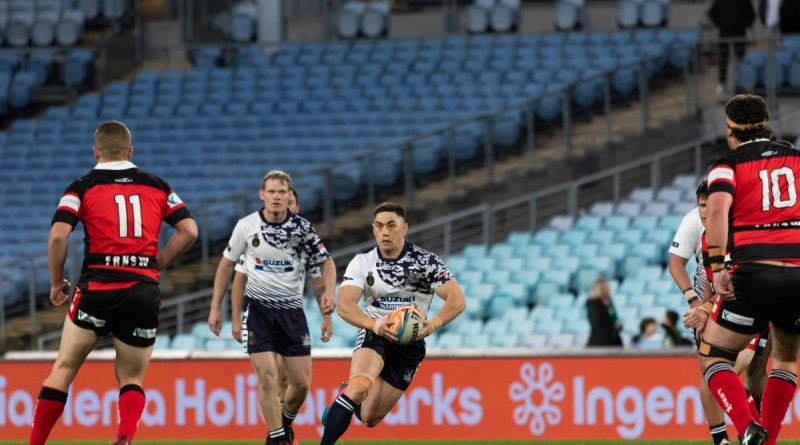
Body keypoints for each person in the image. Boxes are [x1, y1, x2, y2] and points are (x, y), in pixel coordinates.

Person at [30, 121, 198, 445]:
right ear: (130, 151)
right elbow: (189, 230)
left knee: (64, 367)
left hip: (98, 290)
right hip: (141, 291)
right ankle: (124, 438)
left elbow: (57, 236)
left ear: (95, 152)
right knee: (131, 377)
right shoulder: (158, 186)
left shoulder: (82, 186)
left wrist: (55, 283)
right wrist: (156, 263)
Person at [688, 94, 800, 445]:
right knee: (786, 360)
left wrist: (718, 264)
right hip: (798, 273)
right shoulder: (797, 160)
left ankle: (745, 424)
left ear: (730, 130)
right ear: (767, 123)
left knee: (713, 354)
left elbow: (718, 211)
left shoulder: (727, 164)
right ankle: (767, 441)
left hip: (751, 273)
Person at [319, 202, 466, 444]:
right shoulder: (362, 262)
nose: (384, 232)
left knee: (369, 418)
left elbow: (457, 299)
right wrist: (374, 325)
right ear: (373, 229)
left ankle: (342, 396)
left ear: (404, 228)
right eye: (379, 226)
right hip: (375, 332)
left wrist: (434, 323)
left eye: (391, 225)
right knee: (360, 388)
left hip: (410, 342)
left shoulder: (425, 262)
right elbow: (345, 305)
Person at [208, 170, 336, 445]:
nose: (277, 197)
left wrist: (329, 302)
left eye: (282, 192)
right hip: (258, 313)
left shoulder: (302, 229)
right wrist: (217, 309)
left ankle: (283, 424)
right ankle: (276, 438)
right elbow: (227, 267)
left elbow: (325, 264)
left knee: (300, 384)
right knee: (268, 377)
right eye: (272, 191)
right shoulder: (246, 226)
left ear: (289, 196)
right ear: (262, 194)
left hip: (292, 313)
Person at [708, 0, 755, 94]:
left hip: (739, 34)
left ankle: (742, 84)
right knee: (723, 59)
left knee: (741, 60)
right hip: (724, 34)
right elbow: (712, 13)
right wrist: (721, 23)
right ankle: (722, 83)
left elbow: (751, 15)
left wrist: (743, 25)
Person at [585, 278, 623, 347]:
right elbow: (596, 323)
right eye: (607, 287)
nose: (610, 289)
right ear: (600, 289)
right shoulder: (594, 304)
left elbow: (613, 319)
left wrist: (617, 326)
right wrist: (612, 327)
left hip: (613, 341)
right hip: (600, 342)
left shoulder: (609, 302)